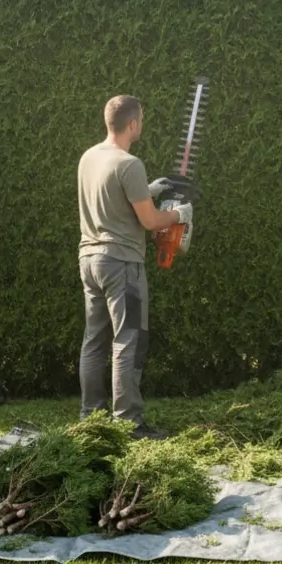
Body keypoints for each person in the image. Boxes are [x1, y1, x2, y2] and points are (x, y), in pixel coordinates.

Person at [76, 94, 190, 437]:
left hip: (89, 259)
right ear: (133, 124)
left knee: (94, 340)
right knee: (128, 340)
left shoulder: (90, 157)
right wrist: (178, 214)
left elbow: (116, 200)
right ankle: (129, 423)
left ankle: (90, 418)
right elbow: (152, 221)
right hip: (122, 263)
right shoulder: (130, 164)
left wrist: (150, 189)